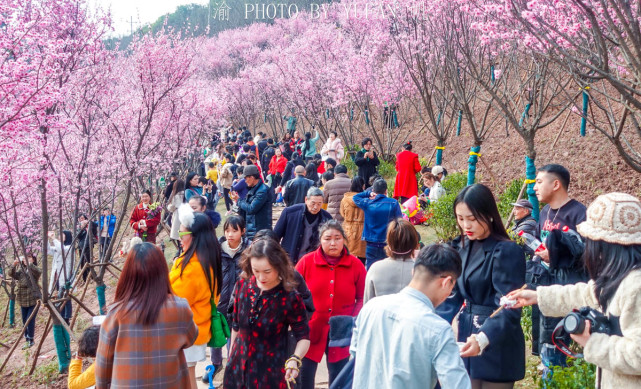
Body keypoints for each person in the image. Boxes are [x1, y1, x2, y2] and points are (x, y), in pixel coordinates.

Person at [508, 192, 641, 388]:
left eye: (592, 241)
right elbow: (587, 293)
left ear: (607, 245)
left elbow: (637, 355)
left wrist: (592, 342)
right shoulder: (621, 276)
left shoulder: (635, 287)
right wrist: (538, 296)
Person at [437, 183, 526, 388]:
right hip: (467, 335)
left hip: (496, 338)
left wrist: (484, 337)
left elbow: (509, 306)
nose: (466, 225)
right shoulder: (462, 246)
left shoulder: (506, 251)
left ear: (489, 215)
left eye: (472, 219)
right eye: (460, 219)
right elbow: (451, 298)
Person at [351, 244, 471, 389]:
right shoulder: (438, 330)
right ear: (446, 283)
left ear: (413, 271)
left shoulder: (370, 308)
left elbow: (355, 354)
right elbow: (457, 385)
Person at [96, 243, 198, 388]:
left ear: (128, 273)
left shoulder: (117, 313)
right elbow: (191, 338)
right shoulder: (180, 307)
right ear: (162, 271)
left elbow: (103, 363)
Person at [223, 238, 310, 389]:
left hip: (270, 374)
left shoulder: (289, 297)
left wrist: (295, 359)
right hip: (237, 370)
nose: (261, 277)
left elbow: (303, 337)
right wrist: (231, 359)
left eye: (267, 271)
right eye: (256, 271)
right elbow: (236, 328)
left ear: (279, 266)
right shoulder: (241, 286)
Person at [529, 163, 588, 369]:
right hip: (546, 283)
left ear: (556, 184)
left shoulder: (579, 213)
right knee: (545, 336)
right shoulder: (545, 211)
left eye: (538, 182)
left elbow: (586, 254)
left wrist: (554, 255)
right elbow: (540, 239)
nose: (534, 187)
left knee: (561, 341)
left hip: (569, 288)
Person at [296, 221, 366, 389]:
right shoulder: (306, 262)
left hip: (342, 330)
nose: (333, 243)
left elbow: (362, 297)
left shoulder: (355, 265)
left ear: (344, 240)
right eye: (328, 238)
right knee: (305, 375)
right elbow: (293, 293)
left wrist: (352, 319)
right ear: (320, 240)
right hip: (311, 329)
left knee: (339, 377)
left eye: (337, 238)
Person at [170, 205, 222, 389]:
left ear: (195, 236)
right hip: (194, 330)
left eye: (182, 233)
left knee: (187, 382)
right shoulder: (204, 259)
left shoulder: (192, 269)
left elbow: (172, 300)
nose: (180, 237)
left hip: (185, 333)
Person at [204, 216, 250, 384]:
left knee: (235, 337)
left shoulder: (249, 251)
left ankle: (233, 366)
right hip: (219, 300)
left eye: (234, 230)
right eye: (227, 230)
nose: (230, 234)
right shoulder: (216, 250)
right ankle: (216, 364)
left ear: (243, 231)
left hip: (239, 302)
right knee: (217, 335)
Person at [364, 219, 419, 303]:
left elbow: (367, 304)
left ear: (389, 242)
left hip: (381, 315)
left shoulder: (375, 268)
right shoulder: (421, 272)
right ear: (415, 243)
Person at [353, 179, 403, 269]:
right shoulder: (393, 203)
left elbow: (355, 197)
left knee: (371, 269)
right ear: (386, 191)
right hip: (388, 242)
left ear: (373, 190)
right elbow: (400, 221)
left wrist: (367, 194)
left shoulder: (367, 203)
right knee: (388, 269)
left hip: (371, 243)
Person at [274, 187, 332, 264]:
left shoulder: (326, 218)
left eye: (319, 204)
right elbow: (275, 237)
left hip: (313, 262)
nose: (315, 207)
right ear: (306, 200)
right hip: (289, 260)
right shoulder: (290, 213)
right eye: (313, 203)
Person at [8, 253, 41, 348]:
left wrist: (29, 264)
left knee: (30, 319)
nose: (26, 259)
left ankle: (31, 339)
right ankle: (27, 339)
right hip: (22, 297)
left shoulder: (34, 269)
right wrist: (14, 264)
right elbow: (11, 274)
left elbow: (39, 272)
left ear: (33, 260)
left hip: (32, 297)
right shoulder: (21, 269)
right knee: (24, 320)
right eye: (25, 258)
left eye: (29, 258)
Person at [233, 164, 272, 240]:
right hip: (253, 229)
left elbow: (251, 208)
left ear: (252, 177)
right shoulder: (253, 189)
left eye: (246, 178)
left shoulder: (262, 191)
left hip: (260, 231)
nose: (245, 181)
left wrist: (239, 200)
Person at [47, 230, 73, 323]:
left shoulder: (69, 247)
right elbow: (49, 250)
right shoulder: (59, 247)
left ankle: (67, 316)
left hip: (65, 275)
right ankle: (62, 314)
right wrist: (46, 239)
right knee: (59, 294)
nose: (60, 236)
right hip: (57, 274)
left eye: (62, 235)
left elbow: (62, 250)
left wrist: (53, 239)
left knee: (65, 295)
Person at [340, 177, 367, 261]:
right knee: (362, 256)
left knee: (347, 254)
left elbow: (342, 213)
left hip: (348, 228)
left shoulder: (345, 199)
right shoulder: (365, 200)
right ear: (363, 186)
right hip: (363, 230)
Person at [77, 214, 97, 283]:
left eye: (83, 218)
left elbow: (95, 227)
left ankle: (93, 277)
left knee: (88, 261)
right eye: (80, 219)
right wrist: (82, 228)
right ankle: (85, 279)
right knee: (82, 263)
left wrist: (89, 223)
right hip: (81, 246)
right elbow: (78, 236)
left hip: (88, 245)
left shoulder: (90, 225)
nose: (82, 220)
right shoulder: (78, 227)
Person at [167, 179, 186, 244]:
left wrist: (168, 206)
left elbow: (171, 207)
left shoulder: (176, 196)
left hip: (178, 217)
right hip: (186, 215)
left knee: (179, 236)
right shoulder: (186, 194)